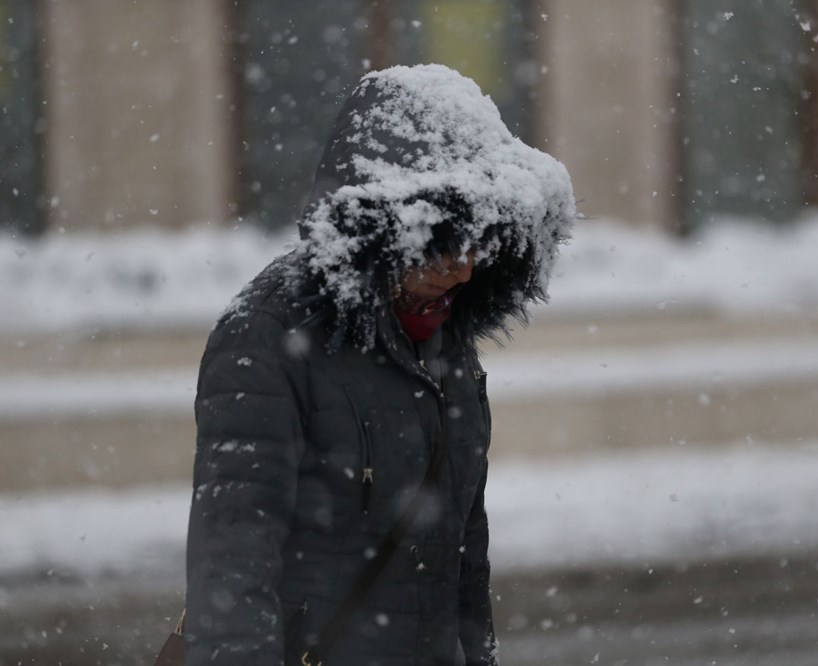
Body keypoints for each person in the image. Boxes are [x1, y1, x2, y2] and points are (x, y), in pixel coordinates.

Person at [183, 64, 576, 666]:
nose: (464, 269)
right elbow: (233, 559)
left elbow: (466, 550)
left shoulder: (448, 342)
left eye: (479, 242)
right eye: (443, 241)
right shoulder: (264, 336)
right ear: (381, 230)